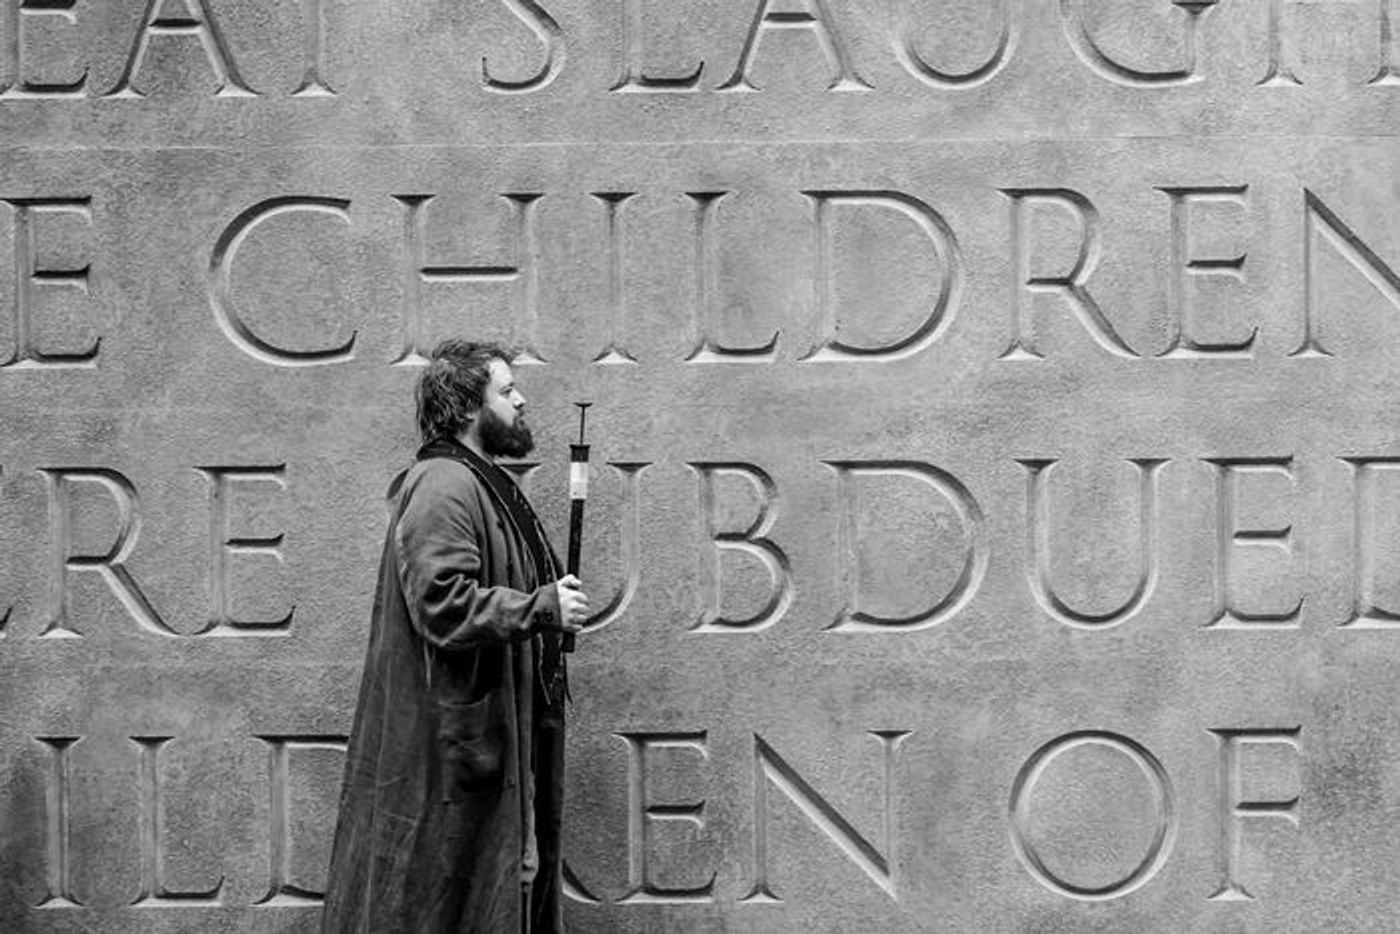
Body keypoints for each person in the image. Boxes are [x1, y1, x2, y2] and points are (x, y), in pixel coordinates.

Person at [321, 339, 589, 934]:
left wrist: (543, 605)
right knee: (446, 904)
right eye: (506, 390)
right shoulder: (443, 483)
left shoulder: (479, 480)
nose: (521, 400)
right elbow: (441, 602)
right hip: (453, 753)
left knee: (493, 896)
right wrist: (542, 606)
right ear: (468, 407)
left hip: (488, 741)